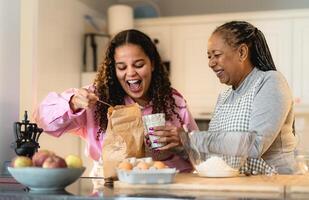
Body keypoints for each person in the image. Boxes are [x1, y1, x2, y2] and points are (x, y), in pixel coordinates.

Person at [34, 29, 198, 174]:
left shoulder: (173, 100)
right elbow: (42, 120)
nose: (131, 73)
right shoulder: (97, 98)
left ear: (152, 64)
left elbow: (205, 155)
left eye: (139, 64)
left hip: (169, 187)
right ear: (113, 69)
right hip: (111, 187)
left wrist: (184, 141)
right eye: (122, 67)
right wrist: (73, 103)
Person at [152, 21, 297, 174]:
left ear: (242, 52)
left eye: (216, 55)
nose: (210, 63)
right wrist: (180, 145)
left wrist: (190, 138)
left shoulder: (270, 81)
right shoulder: (225, 96)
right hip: (239, 187)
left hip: (274, 186)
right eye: (209, 56)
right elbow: (215, 154)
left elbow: (255, 145)